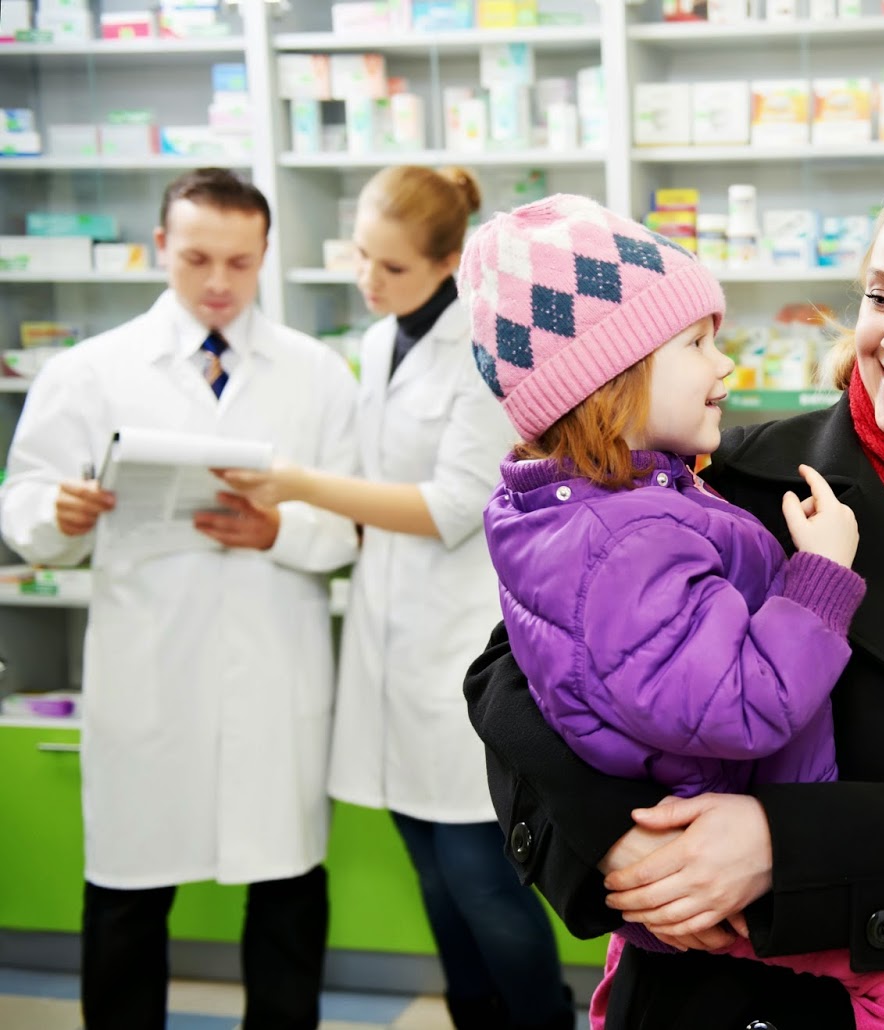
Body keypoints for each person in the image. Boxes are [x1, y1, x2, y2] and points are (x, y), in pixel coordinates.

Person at [461, 159, 884, 1028]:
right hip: (699, 985)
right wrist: (621, 847)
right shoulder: (732, 475)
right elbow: (514, 674)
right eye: (879, 297)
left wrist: (780, 846)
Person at [0, 168, 361, 1030]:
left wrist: (278, 532)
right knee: (128, 898)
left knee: (285, 898)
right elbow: (24, 505)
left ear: (266, 255)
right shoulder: (88, 372)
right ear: (161, 245)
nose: (217, 282)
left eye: (240, 262)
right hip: (149, 668)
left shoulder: (318, 374)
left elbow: (350, 526)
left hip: (275, 666)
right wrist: (61, 511)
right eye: (197, 257)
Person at [215, 165, 572, 1030]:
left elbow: (449, 508)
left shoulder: (486, 356)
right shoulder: (378, 342)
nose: (370, 283)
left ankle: (544, 1021)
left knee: (483, 880)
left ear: (451, 260)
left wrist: (299, 485)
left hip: (458, 644)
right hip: (387, 639)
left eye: (393, 268)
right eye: (361, 259)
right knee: (433, 878)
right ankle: (474, 1018)